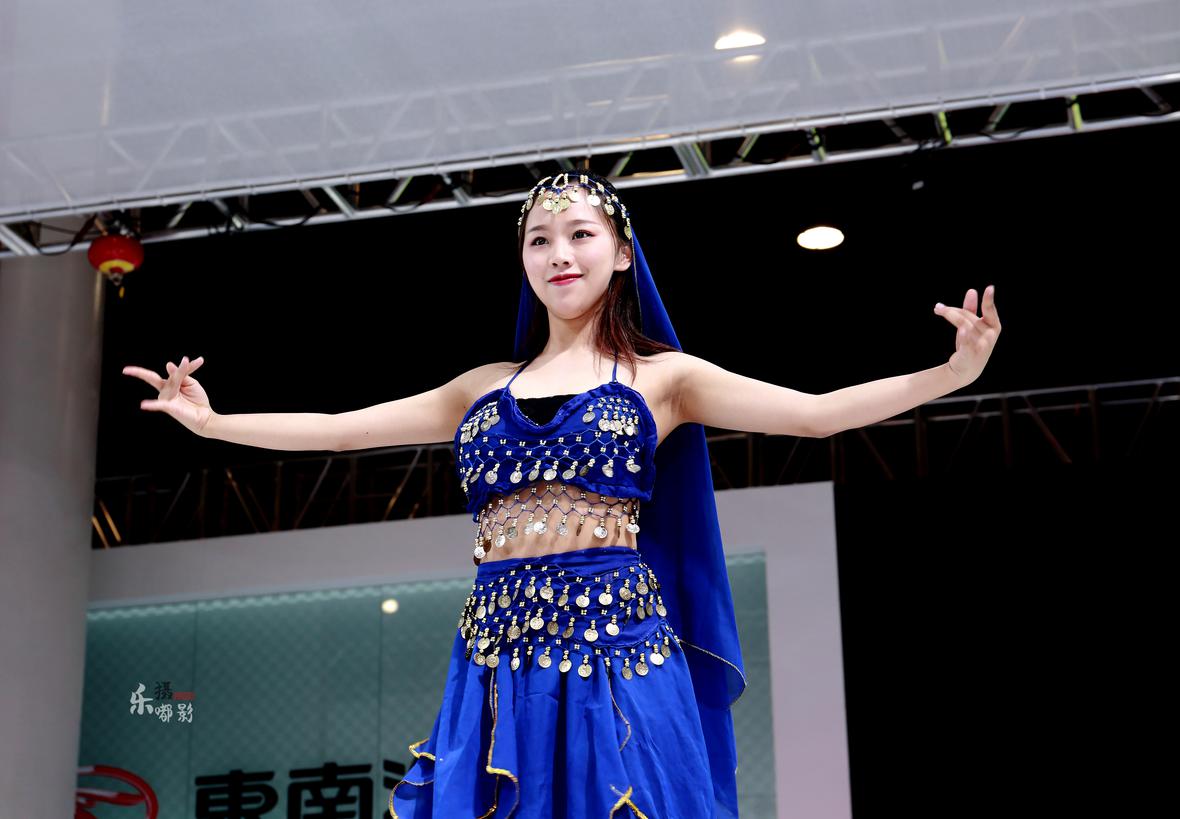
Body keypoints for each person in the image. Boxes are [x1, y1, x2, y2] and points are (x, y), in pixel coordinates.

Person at [123, 171, 1001, 818]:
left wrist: (951, 374)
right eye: (540, 239)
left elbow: (814, 414)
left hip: (618, 649)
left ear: (621, 254)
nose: (560, 254)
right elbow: (343, 428)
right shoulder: (481, 387)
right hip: (497, 655)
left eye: (580, 234)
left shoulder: (663, 379)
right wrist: (214, 423)